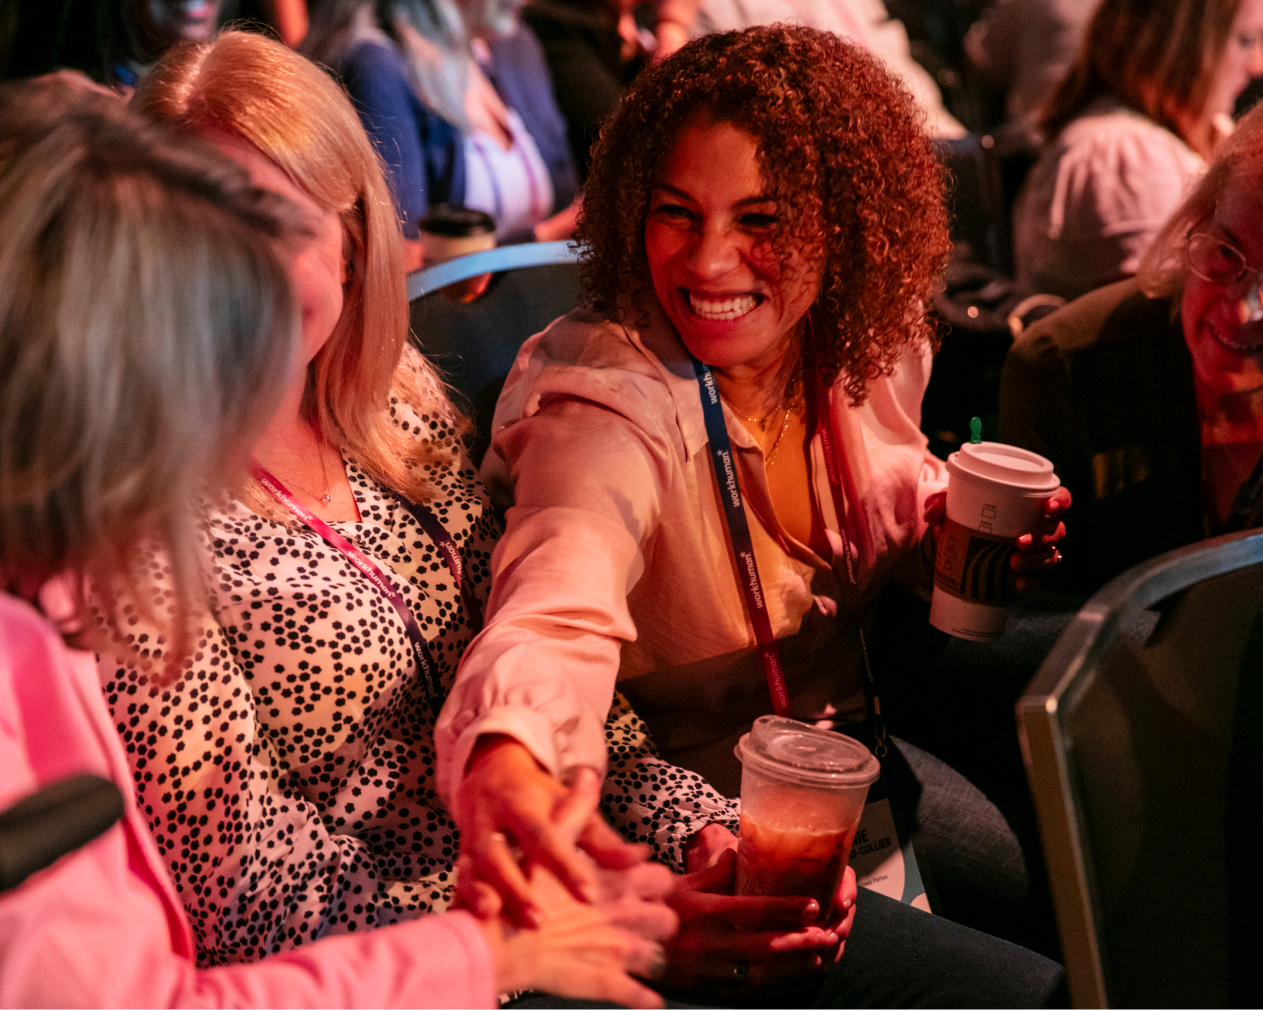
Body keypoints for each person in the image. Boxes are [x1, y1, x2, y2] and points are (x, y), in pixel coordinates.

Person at [0, 76, 669, 1010]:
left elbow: (546, 668)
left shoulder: (391, 399)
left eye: (277, 232)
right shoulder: (107, 561)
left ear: (356, 247)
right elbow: (198, 942)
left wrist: (683, 842)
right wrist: (503, 944)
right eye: (191, 265)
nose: (232, 301)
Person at [436, 25, 1071, 1004]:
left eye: (762, 217)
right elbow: (554, 602)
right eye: (676, 213)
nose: (711, 261)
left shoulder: (867, 336)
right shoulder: (604, 400)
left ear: (846, 221)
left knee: (1081, 901)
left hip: (852, 762)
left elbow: (880, 491)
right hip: (697, 827)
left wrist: (942, 528)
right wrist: (512, 763)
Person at [1002, 101, 1263, 595]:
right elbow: (1023, 627)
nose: (1243, 310)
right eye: (1227, 254)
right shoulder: (1064, 369)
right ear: (1196, 222)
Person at [1013, 0, 1263, 302]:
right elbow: (1169, 316)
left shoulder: (1129, 139)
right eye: (1245, 40)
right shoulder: (1125, 157)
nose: (1257, 64)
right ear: (1178, 40)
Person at [303, 0, 578, 269]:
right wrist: (549, 237)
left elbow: (566, 195)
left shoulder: (513, 46)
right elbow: (405, 263)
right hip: (449, 313)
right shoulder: (378, 68)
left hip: (534, 299)